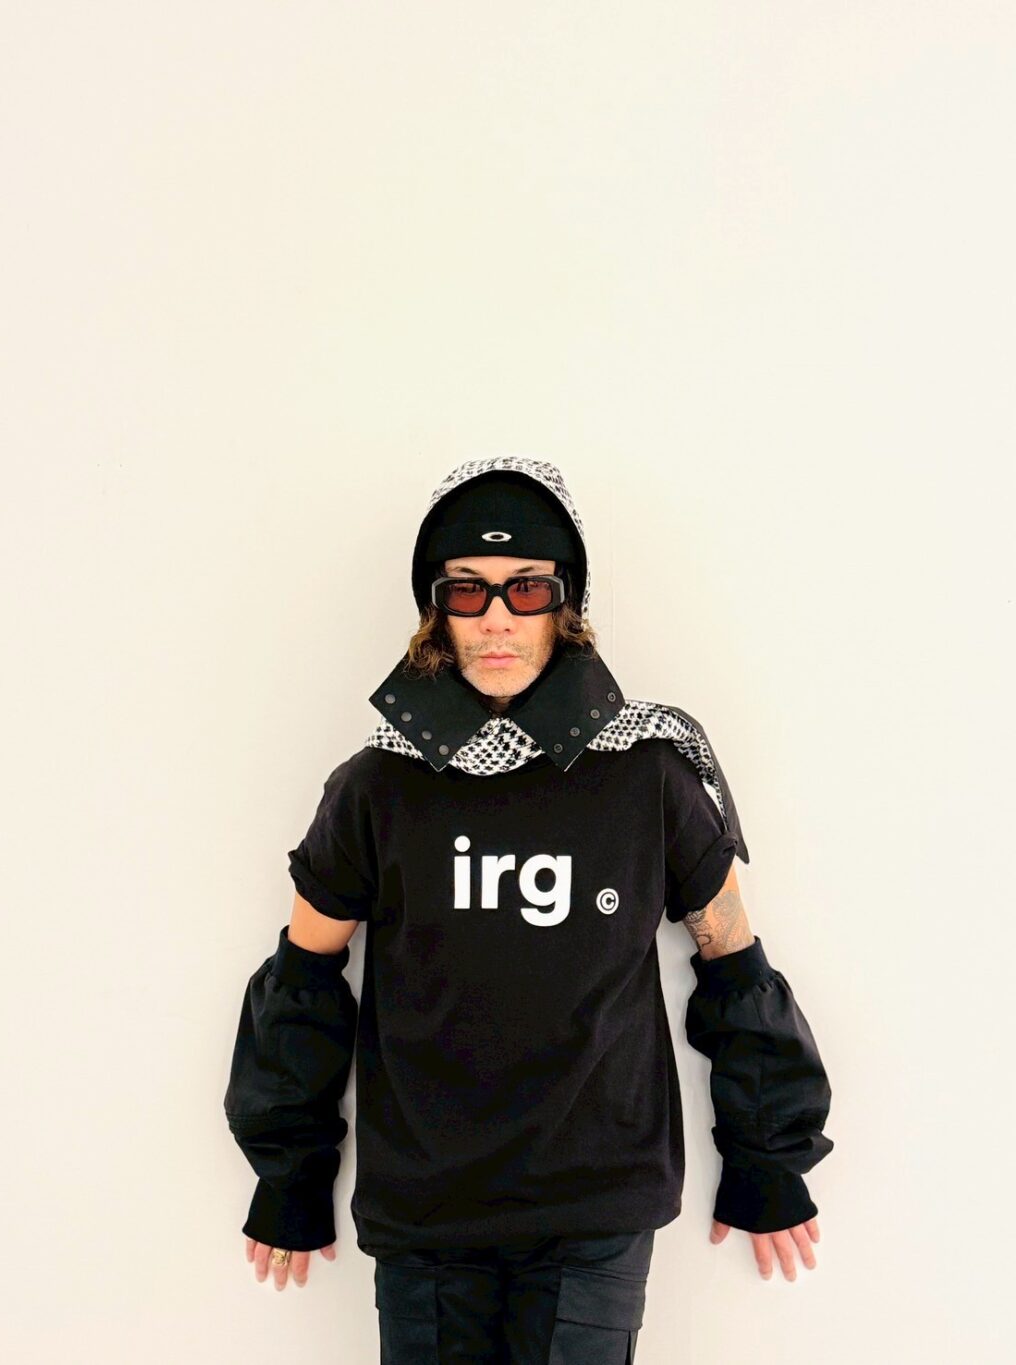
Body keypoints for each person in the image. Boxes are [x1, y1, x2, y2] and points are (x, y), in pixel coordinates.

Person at [223, 456, 834, 1362]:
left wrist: (768, 1157)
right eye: (468, 589)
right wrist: (290, 1175)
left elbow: (732, 958)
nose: (498, 617)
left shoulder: (649, 773)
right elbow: (305, 976)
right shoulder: (375, 787)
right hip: (427, 1216)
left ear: (566, 601)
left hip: (596, 1210)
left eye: (528, 587)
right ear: (436, 608)